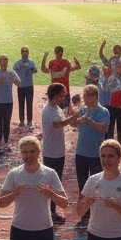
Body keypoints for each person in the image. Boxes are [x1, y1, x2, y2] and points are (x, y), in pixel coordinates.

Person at [70, 83, 110, 228]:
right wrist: (75, 118)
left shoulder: (104, 111)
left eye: (88, 96)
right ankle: (85, 215)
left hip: (95, 154)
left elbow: (103, 128)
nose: (86, 99)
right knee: (83, 185)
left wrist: (89, 121)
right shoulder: (83, 110)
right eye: (85, 96)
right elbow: (73, 124)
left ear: (95, 97)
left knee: (96, 186)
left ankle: (97, 214)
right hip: (80, 152)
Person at [40, 82, 73, 223]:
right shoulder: (50, 109)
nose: (63, 97)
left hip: (57, 150)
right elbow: (57, 124)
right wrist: (73, 118)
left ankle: (51, 211)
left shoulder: (55, 108)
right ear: (56, 95)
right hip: (52, 151)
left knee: (55, 181)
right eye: (62, 94)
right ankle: (50, 212)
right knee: (53, 183)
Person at [0, 55, 20, 149]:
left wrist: (13, 78)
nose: (3, 61)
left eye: (5, 59)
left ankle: (6, 141)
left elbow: (19, 83)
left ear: (7, 61)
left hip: (8, 102)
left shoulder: (11, 72)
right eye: (1, 59)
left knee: (7, 122)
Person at [13, 46, 37, 129]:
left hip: (29, 86)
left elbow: (35, 70)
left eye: (26, 51)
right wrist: (18, 68)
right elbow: (13, 71)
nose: (25, 53)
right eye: (23, 51)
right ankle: (22, 121)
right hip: (21, 86)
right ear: (21, 53)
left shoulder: (31, 62)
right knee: (21, 104)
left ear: (28, 53)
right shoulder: (18, 63)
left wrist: (30, 68)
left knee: (29, 104)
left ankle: (29, 121)